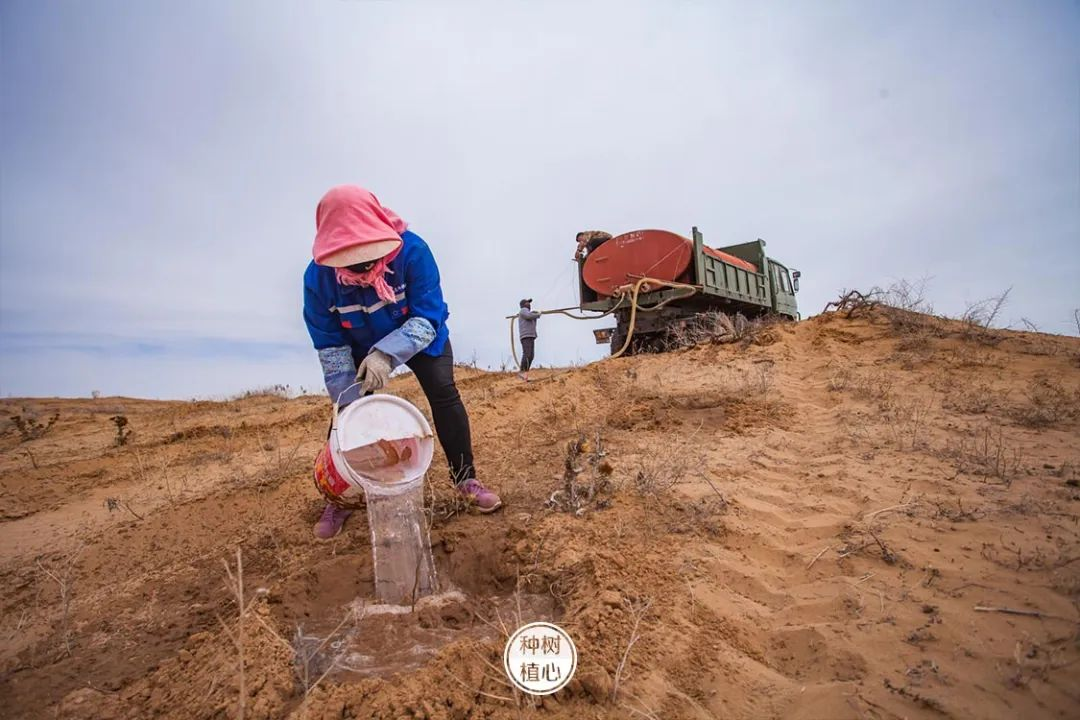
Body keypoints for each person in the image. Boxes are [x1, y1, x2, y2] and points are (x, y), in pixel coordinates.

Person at [303, 185, 502, 538]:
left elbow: (428, 317)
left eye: (366, 254)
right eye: (349, 257)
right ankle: (342, 494)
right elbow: (330, 347)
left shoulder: (413, 252)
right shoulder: (317, 280)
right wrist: (350, 402)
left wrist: (386, 355)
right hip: (355, 344)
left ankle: (465, 479)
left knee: (443, 392)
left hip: (419, 334)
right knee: (347, 413)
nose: (361, 264)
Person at [517, 298, 541, 381]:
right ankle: (521, 373)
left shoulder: (527, 312)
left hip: (530, 336)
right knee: (527, 354)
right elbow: (528, 316)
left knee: (531, 356)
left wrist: (535, 315)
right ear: (524, 305)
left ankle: (525, 375)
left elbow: (531, 318)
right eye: (527, 303)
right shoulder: (523, 310)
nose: (529, 304)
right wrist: (537, 315)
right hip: (526, 336)